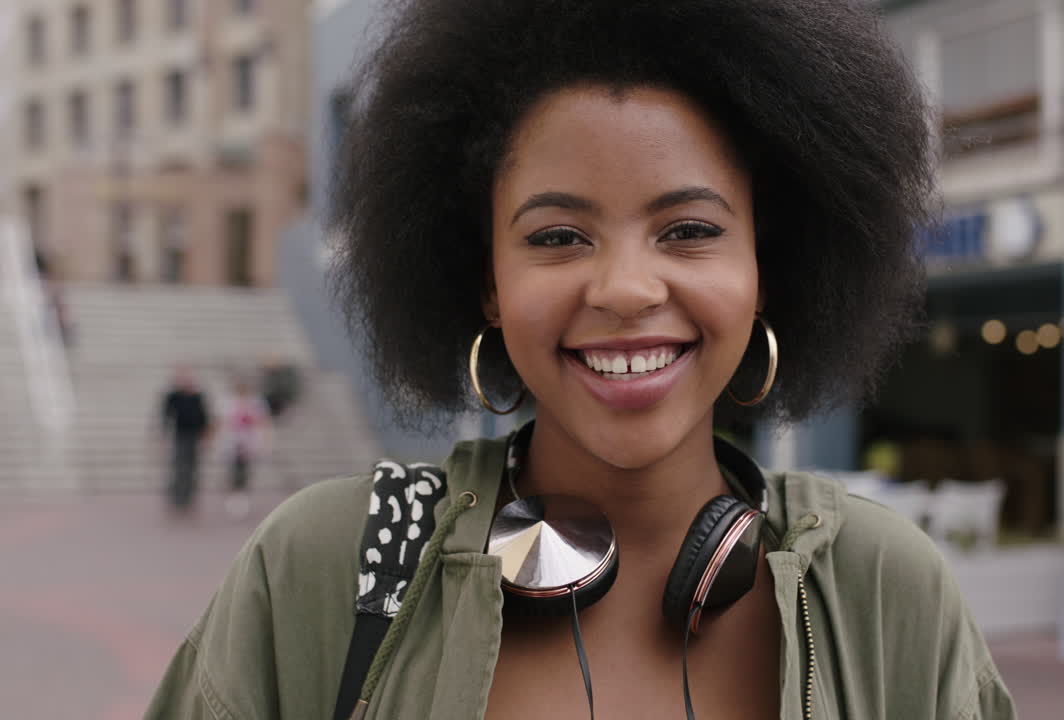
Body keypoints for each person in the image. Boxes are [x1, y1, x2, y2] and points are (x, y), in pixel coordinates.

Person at [145, 1, 1015, 718]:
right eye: (558, 236)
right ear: (487, 278)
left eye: (690, 231)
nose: (627, 288)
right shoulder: (325, 570)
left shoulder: (885, 593)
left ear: (765, 270)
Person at [159, 365, 210, 512]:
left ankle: (188, 499)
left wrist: (206, 435)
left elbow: (204, 417)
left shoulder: (197, 396)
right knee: (179, 468)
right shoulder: (173, 396)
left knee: (192, 468)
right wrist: (162, 436)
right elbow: (166, 415)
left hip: (194, 436)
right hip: (180, 436)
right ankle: (177, 498)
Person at [220, 377, 271, 520]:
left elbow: (263, 422)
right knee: (233, 469)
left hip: (249, 442)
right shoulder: (229, 403)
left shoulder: (256, 403)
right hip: (233, 441)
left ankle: (242, 494)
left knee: (245, 469)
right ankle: (233, 493)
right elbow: (223, 422)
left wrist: (264, 440)